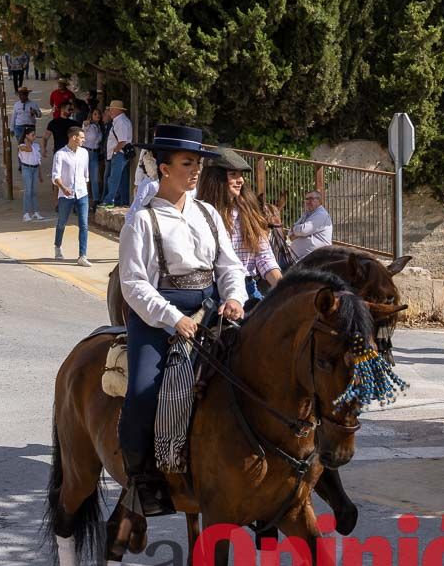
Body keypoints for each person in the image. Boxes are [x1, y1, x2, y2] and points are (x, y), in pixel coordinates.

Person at [118, 124, 246, 516]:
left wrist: (236, 298)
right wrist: (173, 318)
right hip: (158, 320)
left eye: (197, 163)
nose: (195, 170)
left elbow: (229, 266)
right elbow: (134, 284)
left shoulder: (207, 213)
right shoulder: (140, 221)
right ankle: (142, 482)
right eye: (187, 163)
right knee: (142, 392)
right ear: (163, 167)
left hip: (211, 312)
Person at [197, 148, 281, 304]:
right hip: (211, 292)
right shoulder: (198, 214)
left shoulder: (248, 212)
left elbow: (264, 257)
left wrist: (283, 287)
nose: (241, 180)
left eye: (241, 175)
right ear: (216, 179)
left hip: (248, 286)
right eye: (233, 175)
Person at [52, 126, 91, 265]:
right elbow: (55, 176)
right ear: (73, 138)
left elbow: (86, 175)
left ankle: (82, 256)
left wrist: (84, 190)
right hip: (65, 195)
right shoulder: (60, 154)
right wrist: (64, 188)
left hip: (82, 194)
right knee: (62, 222)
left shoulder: (85, 153)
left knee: (84, 224)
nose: (84, 140)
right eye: (81, 137)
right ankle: (57, 246)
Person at [102, 100, 132, 207]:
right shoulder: (120, 121)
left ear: (116, 110)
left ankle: (109, 200)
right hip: (120, 153)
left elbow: (122, 141)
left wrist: (115, 151)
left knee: (113, 179)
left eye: (111, 109)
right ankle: (122, 201)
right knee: (121, 179)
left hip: (119, 154)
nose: (109, 111)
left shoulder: (121, 122)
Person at [288, 191, 333, 260]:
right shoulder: (306, 214)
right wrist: (297, 232)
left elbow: (303, 230)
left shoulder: (321, 214)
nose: (308, 201)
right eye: (306, 199)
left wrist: (296, 230)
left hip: (317, 258)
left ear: (319, 200)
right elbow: (290, 233)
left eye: (311, 198)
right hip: (301, 258)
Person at [18, 126, 45, 222]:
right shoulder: (21, 146)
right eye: (32, 135)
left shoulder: (36, 146)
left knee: (34, 191)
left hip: (35, 169)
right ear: (27, 136)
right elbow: (28, 149)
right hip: (26, 169)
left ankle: (35, 212)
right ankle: (26, 213)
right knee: (28, 191)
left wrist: (40, 175)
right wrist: (26, 141)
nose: (34, 137)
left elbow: (38, 161)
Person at [82, 107, 106, 204]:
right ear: (91, 116)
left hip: (95, 153)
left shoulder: (99, 127)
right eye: (95, 114)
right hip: (86, 152)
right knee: (84, 177)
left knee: (95, 178)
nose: (98, 116)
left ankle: (96, 199)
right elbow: (83, 128)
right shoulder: (89, 126)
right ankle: (83, 199)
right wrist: (85, 123)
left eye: (99, 114)